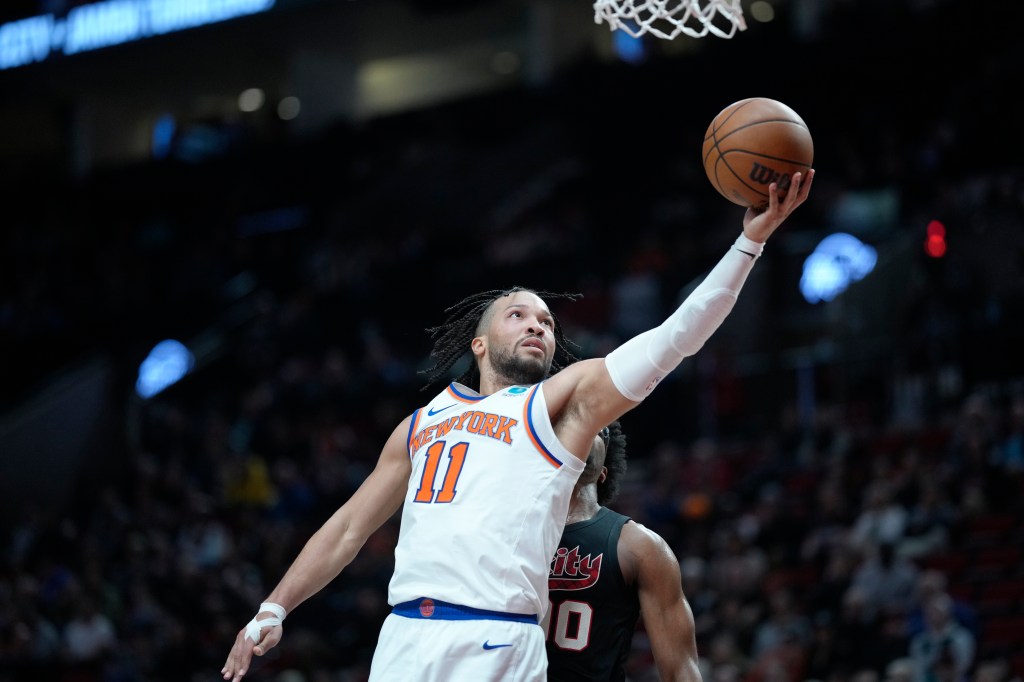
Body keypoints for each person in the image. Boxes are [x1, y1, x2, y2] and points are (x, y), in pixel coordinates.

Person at [220, 171, 815, 682]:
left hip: (496, 640)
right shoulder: (419, 425)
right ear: (480, 343)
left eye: (548, 321)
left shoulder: (561, 407)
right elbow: (349, 527)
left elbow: (674, 339)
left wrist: (747, 244)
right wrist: (274, 607)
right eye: (519, 314)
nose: (538, 325)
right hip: (404, 635)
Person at [545, 420, 702, 682]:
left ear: (603, 471)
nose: (579, 428)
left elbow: (680, 670)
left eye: (595, 428)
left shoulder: (640, 546)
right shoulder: (503, 533)